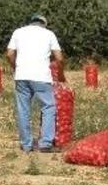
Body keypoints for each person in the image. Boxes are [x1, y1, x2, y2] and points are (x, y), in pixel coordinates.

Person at [5, 13, 65, 153]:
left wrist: (15, 67)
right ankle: (45, 143)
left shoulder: (18, 32)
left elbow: (9, 54)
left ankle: (26, 145)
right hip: (41, 77)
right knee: (49, 106)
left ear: (31, 22)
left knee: (23, 109)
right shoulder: (49, 34)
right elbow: (59, 58)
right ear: (44, 24)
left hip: (21, 76)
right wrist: (61, 74)